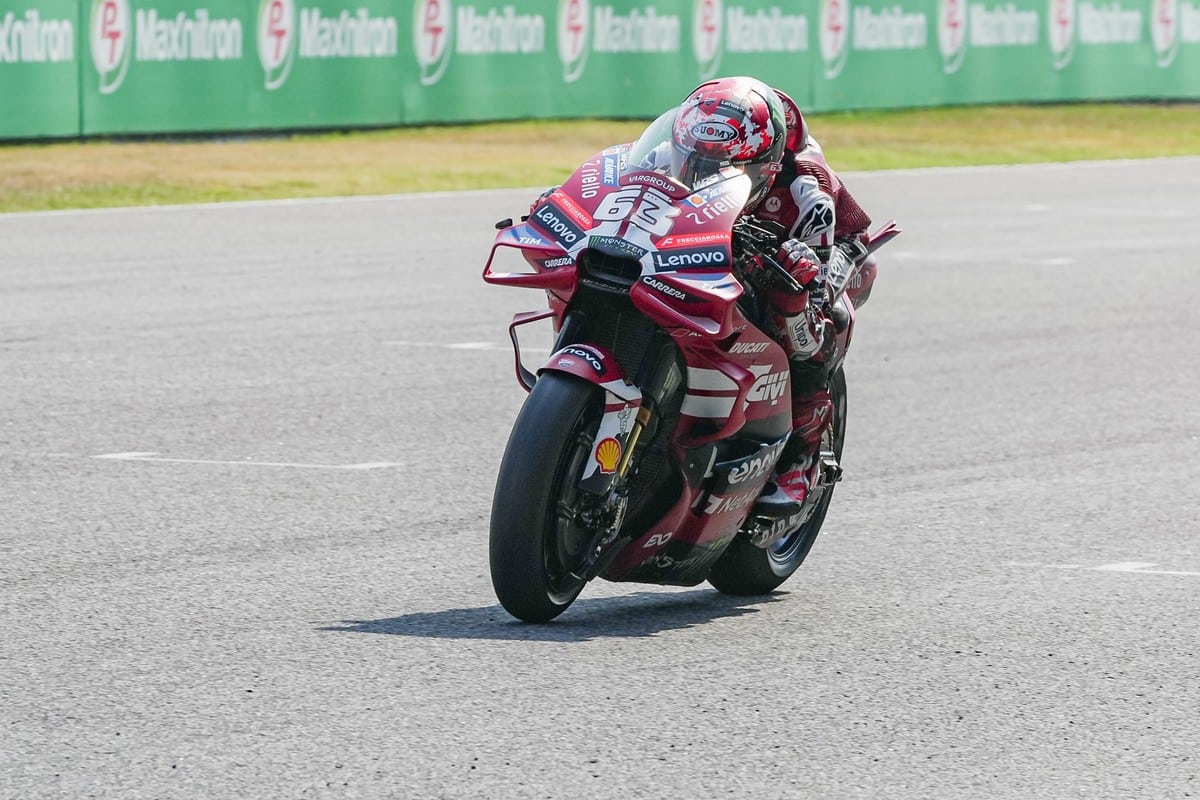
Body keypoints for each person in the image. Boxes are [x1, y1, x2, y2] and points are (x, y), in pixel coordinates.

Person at [531, 76, 875, 512]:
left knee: (806, 322)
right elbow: (623, 191)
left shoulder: (808, 193)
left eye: (724, 170)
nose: (703, 173)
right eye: (694, 163)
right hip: (718, 232)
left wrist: (800, 277)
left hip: (831, 249)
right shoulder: (676, 149)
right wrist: (566, 204)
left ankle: (802, 460)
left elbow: (821, 286)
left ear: (765, 167)